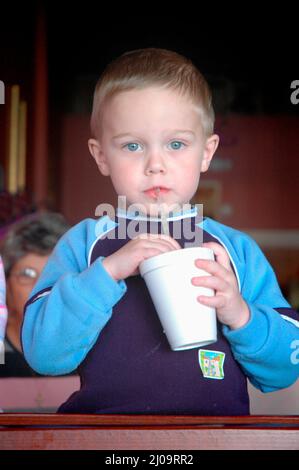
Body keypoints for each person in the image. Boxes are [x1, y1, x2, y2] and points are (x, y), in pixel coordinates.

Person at [22, 48, 299, 415]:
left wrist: (239, 314)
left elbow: (284, 370)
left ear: (207, 151)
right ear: (101, 155)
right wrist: (108, 272)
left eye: (176, 144)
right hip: (102, 438)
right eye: (132, 145)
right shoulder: (84, 244)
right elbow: (44, 355)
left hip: (218, 439)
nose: (156, 165)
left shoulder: (235, 251)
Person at [0, 212, 80, 411]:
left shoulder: (89, 347)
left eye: (52, 275)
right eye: (28, 274)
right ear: (6, 283)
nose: (40, 288)